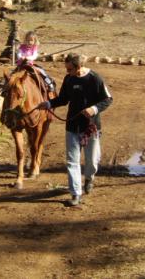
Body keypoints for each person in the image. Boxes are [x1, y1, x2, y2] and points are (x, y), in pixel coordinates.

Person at [38, 53, 112, 207]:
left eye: (70, 69)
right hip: (72, 126)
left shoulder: (95, 78)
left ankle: (89, 178)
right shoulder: (69, 79)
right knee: (72, 161)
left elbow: (107, 99)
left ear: (79, 67)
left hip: (91, 127)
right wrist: (49, 104)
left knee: (92, 161)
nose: (67, 72)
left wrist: (94, 109)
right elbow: (63, 99)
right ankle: (76, 193)